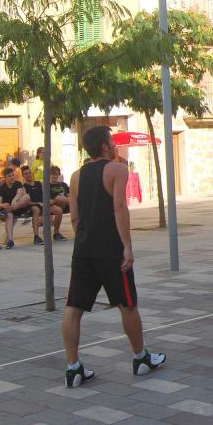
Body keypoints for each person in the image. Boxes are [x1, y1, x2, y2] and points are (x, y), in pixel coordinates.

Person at [61, 125, 166, 388]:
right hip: (110, 250)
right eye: (111, 140)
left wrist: (85, 241)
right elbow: (120, 207)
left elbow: (74, 216)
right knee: (127, 304)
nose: (114, 144)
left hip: (84, 249)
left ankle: (73, 369)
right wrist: (127, 247)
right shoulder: (118, 170)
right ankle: (140, 358)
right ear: (105, 146)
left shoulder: (75, 176)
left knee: (73, 308)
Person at [0, 166, 25, 249]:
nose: (12, 177)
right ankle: (10, 240)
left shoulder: (18, 183)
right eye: (9, 176)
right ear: (5, 178)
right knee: (9, 214)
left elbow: (20, 193)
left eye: (13, 175)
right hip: (6, 210)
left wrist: (14, 201)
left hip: (17, 206)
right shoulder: (1, 188)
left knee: (27, 197)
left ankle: (8, 239)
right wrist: (3, 205)